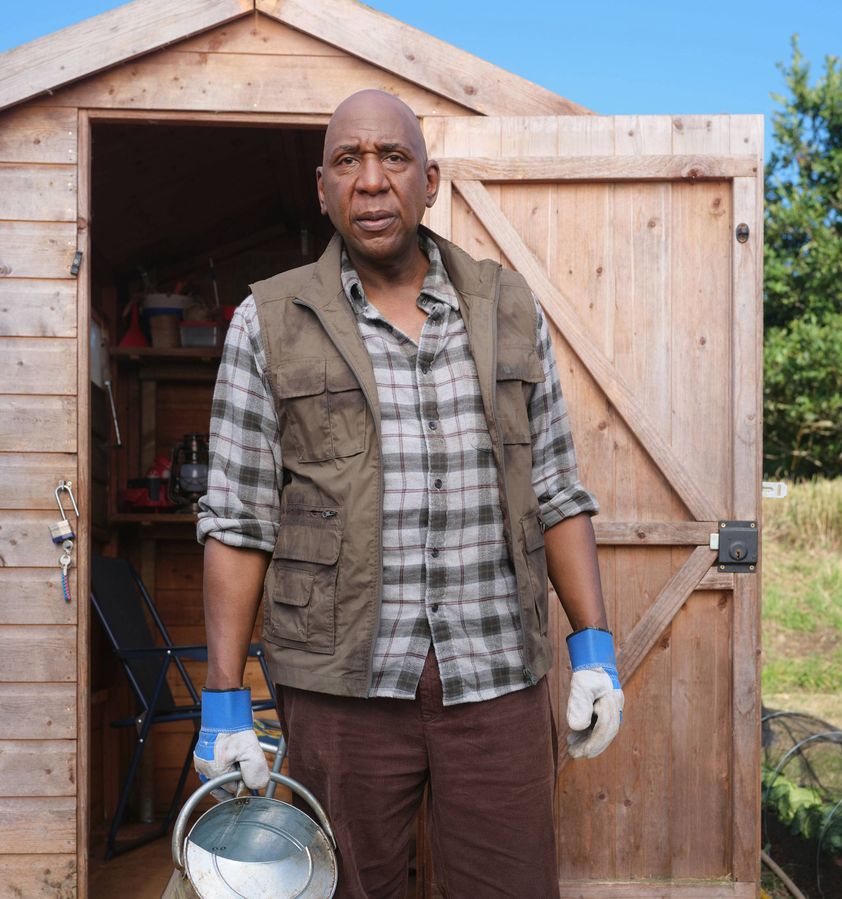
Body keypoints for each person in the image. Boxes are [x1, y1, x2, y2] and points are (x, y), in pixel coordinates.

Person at [193, 89, 624, 898]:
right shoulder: (268, 320)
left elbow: (558, 490)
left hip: (496, 678)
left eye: (392, 158)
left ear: (429, 180)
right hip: (339, 689)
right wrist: (224, 699)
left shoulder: (508, 309)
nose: (371, 180)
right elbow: (237, 517)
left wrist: (593, 651)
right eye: (347, 161)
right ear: (321, 188)